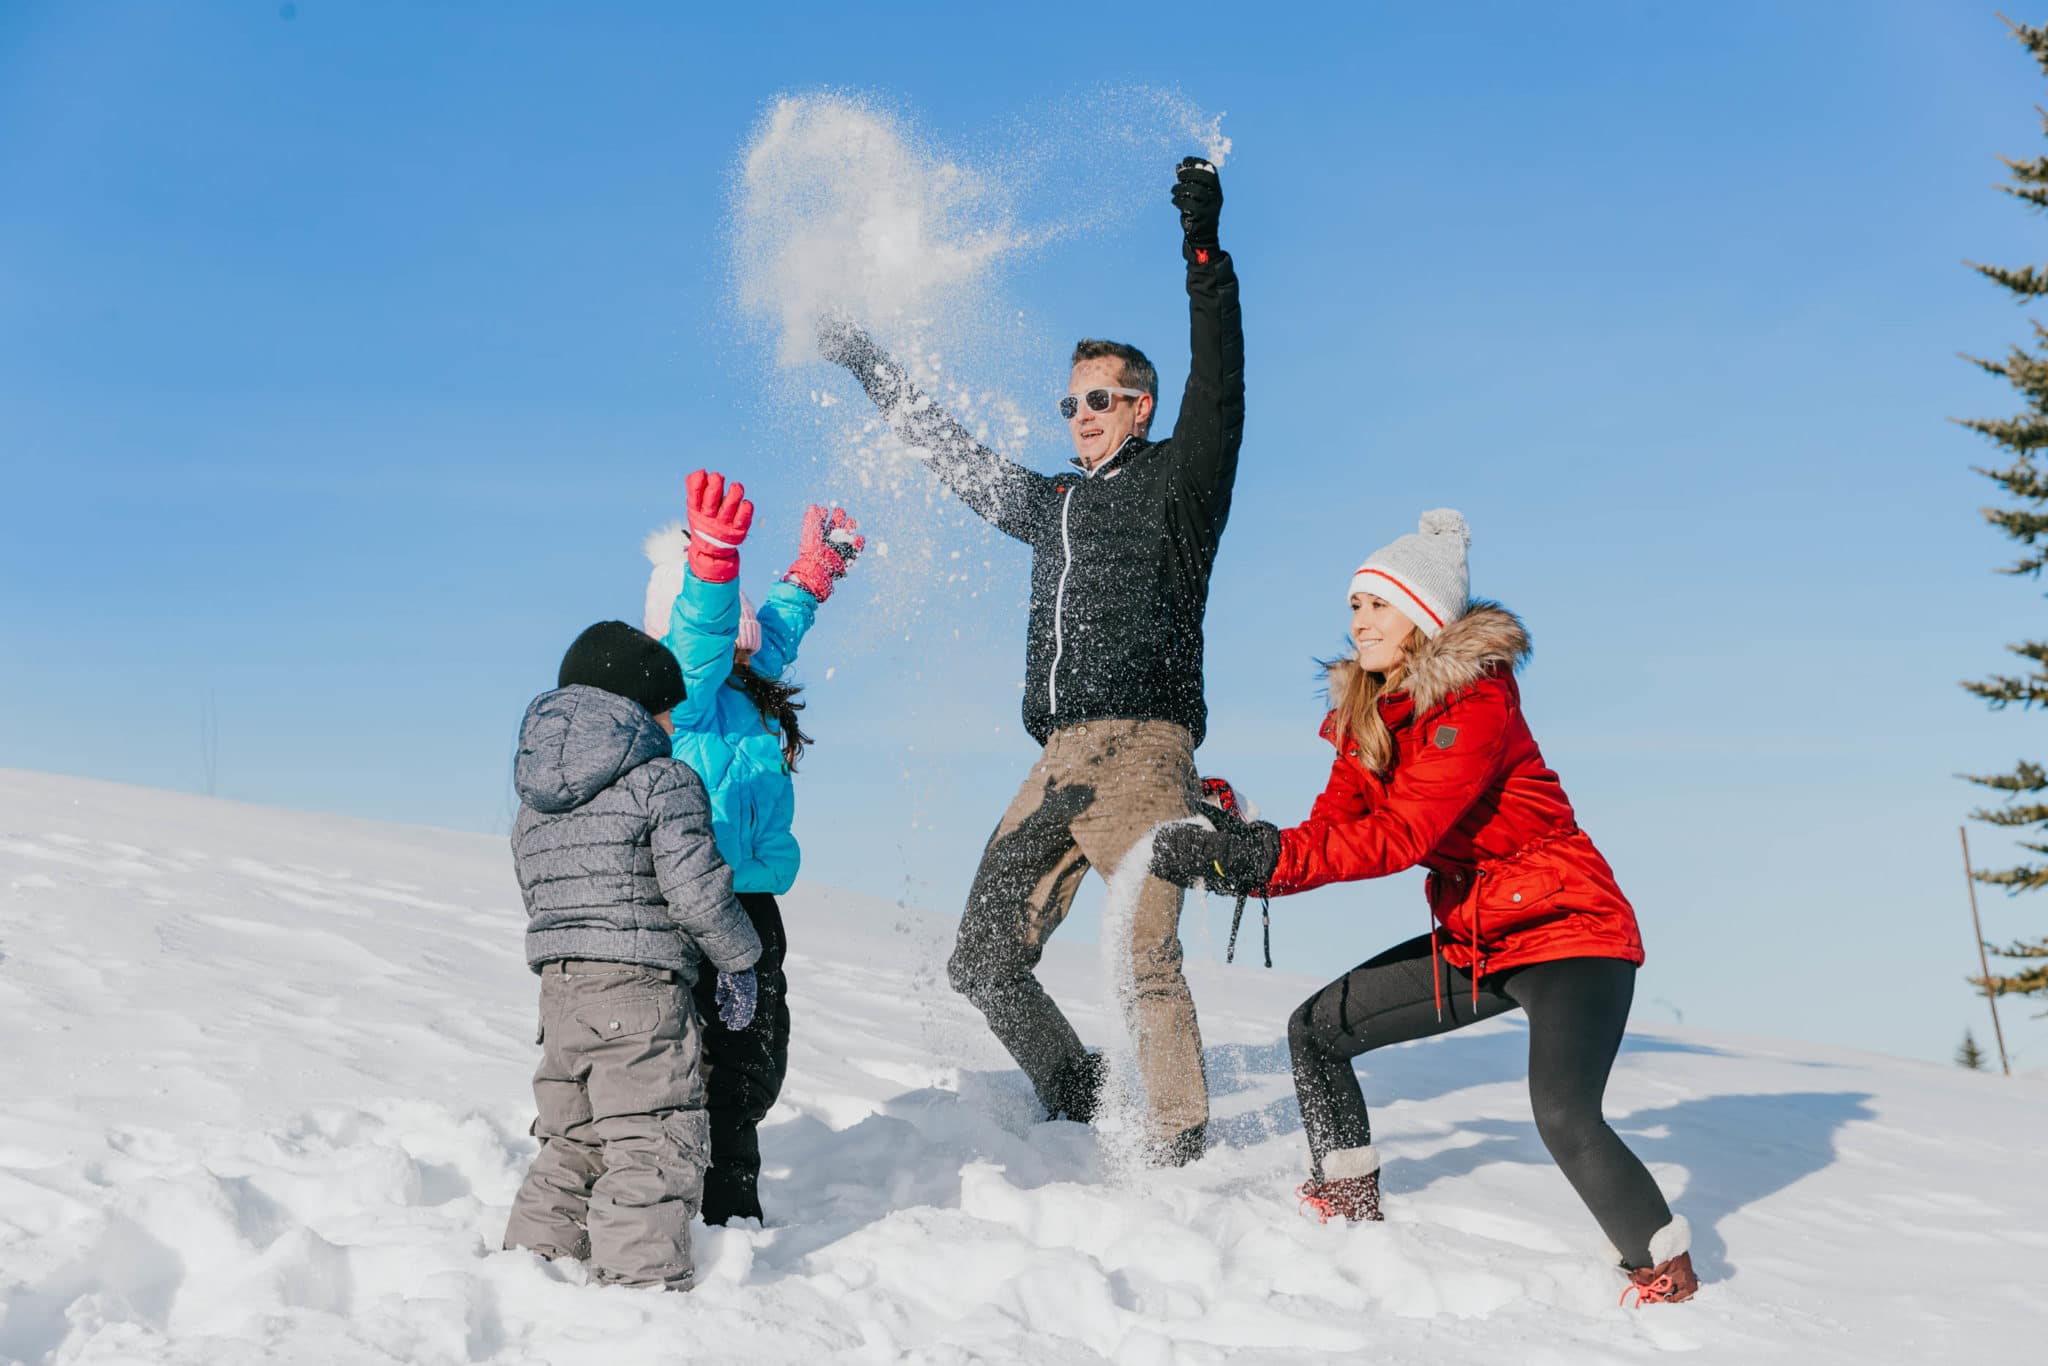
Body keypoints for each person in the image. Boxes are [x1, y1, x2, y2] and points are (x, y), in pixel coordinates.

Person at [1149, 511, 1698, 1304]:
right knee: (1317, 1029)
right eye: (1353, 605)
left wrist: (1265, 861)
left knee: (1564, 1114)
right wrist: (1242, 852)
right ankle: (1346, 1207)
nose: (1358, 619)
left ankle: (1667, 1279)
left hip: (1570, 932)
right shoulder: (1370, 717)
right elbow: (1335, 828)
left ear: (1426, 616)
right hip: (1479, 937)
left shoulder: (1475, 703)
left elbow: (1403, 834)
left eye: (1377, 603)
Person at [818, 157, 1243, 1164]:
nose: (1081, 415)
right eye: (1068, 404)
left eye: (1099, 399)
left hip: (1140, 749)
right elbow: (957, 458)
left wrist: (1202, 250)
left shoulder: (1180, 486)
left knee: (1143, 953)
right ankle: (1077, 1093)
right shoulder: (1050, 502)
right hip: (1054, 760)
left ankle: (1178, 1144)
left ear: (1139, 407)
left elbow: (1220, 376)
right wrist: (867, 364)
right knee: (980, 959)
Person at [502, 620, 763, 1291]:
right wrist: (739, 960)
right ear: (632, 711)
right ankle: (641, 1302)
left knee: (573, 1143)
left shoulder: (534, 804)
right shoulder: (662, 782)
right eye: (665, 711)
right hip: (638, 994)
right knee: (651, 1146)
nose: (673, 726)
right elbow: (695, 892)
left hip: (559, 998)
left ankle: (527, 1281)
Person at [641, 468, 863, 1224]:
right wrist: (710, 569)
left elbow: (777, 628)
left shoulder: (744, 684)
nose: (744, 650)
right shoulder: (687, 699)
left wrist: (811, 574)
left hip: (756, 900)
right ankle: (708, 1202)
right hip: (695, 903)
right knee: (709, 1063)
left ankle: (730, 1183)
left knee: (758, 1055)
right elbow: (701, 642)